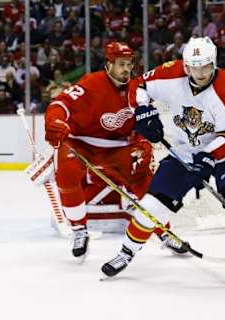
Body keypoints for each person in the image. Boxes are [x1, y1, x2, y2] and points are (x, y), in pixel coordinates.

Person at [101, 37, 225, 287]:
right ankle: (126, 252)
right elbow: (139, 84)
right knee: (151, 207)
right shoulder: (170, 73)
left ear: (214, 63)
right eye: (194, 67)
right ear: (186, 65)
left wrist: (208, 157)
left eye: (206, 66)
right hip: (184, 153)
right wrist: (143, 110)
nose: (200, 73)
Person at [44, 42, 154, 260]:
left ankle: (164, 230)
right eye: (121, 64)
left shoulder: (137, 90)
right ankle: (79, 230)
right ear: (108, 64)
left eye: (129, 65)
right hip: (80, 142)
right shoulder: (91, 84)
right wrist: (55, 121)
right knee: (66, 174)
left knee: (145, 179)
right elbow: (61, 104)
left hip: (118, 146)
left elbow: (145, 121)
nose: (126, 69)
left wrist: (143, 142)